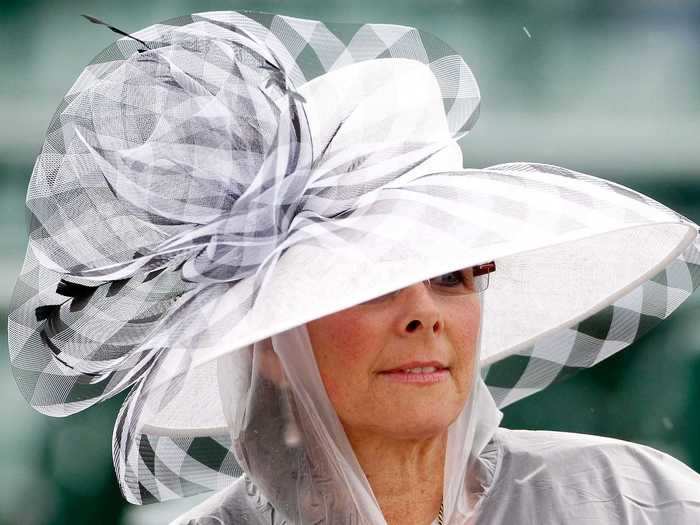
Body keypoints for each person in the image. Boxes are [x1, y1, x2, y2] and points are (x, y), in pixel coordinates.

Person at [7, 9, 700, 525]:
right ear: (273, 342)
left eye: (453, 276)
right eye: (372, 286)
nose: (426, 312)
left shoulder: (635, 500)